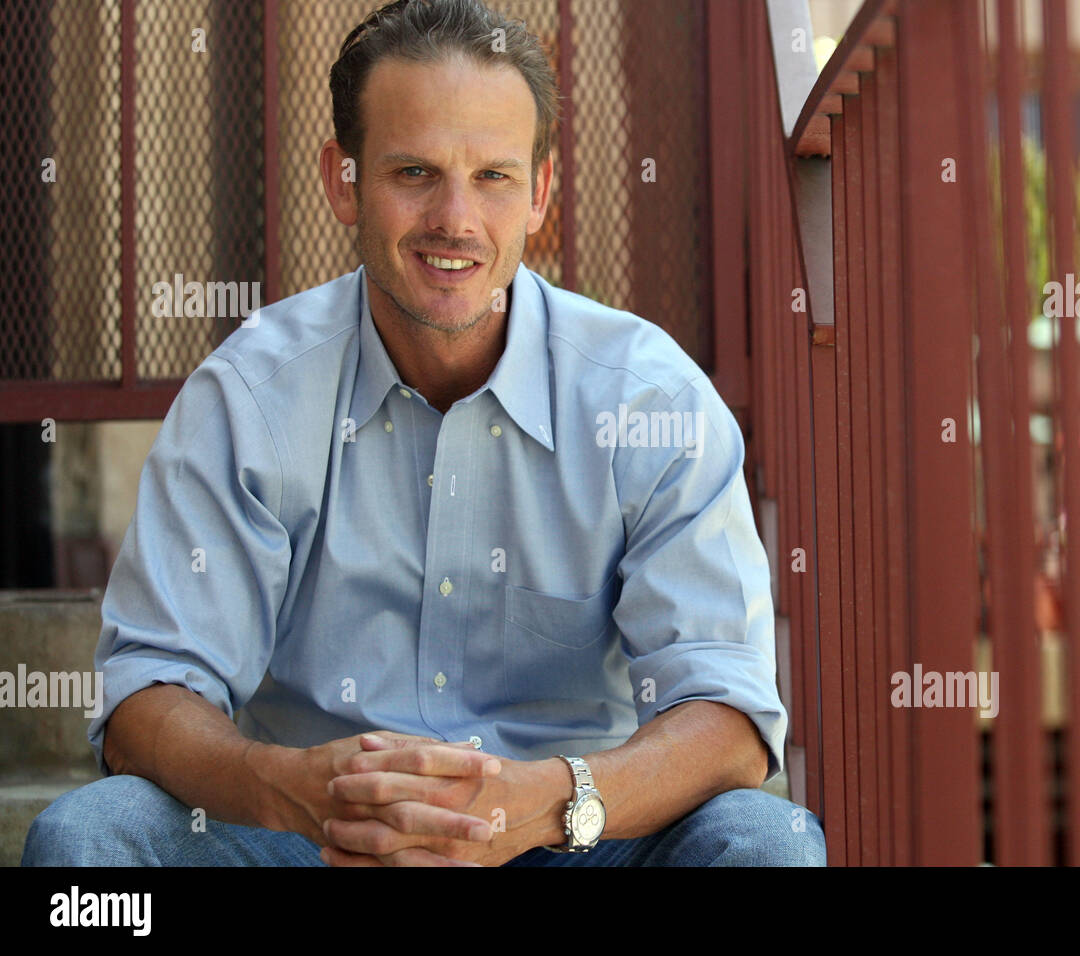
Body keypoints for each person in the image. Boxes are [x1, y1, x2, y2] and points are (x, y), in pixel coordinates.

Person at [22, 0, 825, 867]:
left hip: (570, 838)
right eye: (414, 172)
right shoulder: (249, 396)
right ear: (343, 179)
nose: (455, 218)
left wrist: (548, 800)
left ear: (541, 192)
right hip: (308, 841)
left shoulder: (646, 401)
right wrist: (291, 788)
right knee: (88, 840)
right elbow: (146, 696)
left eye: (493, 177)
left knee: (763, 841)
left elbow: (729, 718)